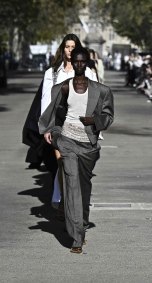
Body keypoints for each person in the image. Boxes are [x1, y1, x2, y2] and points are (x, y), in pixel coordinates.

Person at [39, 47, 115, 253]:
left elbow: (108, 117)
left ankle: (82, 222)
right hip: (68, 141)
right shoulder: (64, 88)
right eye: (76, 62)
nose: (80, 65)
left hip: (88, 145)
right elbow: (53, 110)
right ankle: (76, 238)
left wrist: (94, 121)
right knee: (71, 187)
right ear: (72, 62)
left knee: (84, 187)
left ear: (88, 63)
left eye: (83, 62)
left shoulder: (101, 90)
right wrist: (51, 131)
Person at [42, 35, 81, 216]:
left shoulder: (86, 71)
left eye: (74, 47)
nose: (70, 50)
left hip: (79, 125)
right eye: (67, 46)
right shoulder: (52, 73)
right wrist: (46, 127)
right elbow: (46, 100)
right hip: (58, 124)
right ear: (62, 49)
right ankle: (63, 202)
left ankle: (69, 202)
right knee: (62, 163)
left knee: (76, 166)